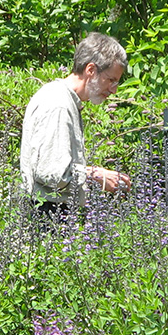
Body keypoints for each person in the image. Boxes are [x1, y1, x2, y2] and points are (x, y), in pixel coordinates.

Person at [19, 32, 132, 220]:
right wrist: (97, 176)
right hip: (44, 217)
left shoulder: (66, 100)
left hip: (51, 215)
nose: (114, 90)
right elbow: (52, 174)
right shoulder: (58, 104)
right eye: (111, 80)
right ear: (90, 70)